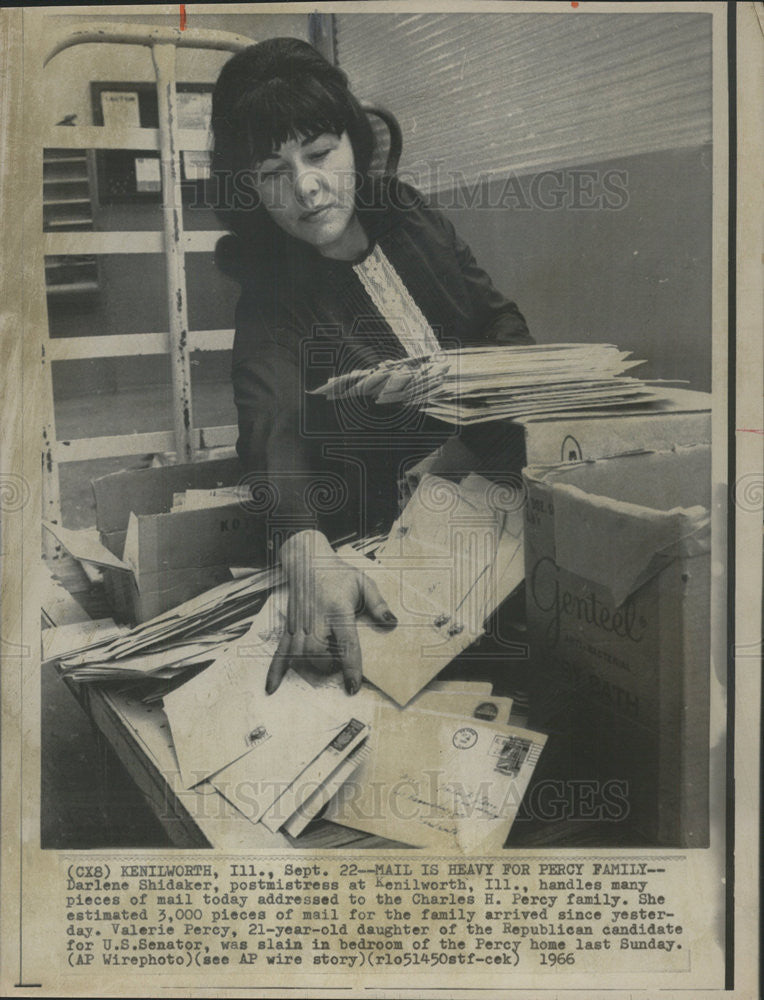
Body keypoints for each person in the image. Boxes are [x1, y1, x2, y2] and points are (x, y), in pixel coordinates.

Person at [211, 37, 531, 695]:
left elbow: (497, 321)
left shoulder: (409, 215)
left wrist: (487, 380)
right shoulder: (269, 290)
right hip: (398, 541)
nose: (306, 186)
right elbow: (270, 425)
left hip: (503, 496)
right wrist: (303, 546)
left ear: (355, 144)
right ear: (249, 189)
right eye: (273, 171)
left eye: (321, 153)